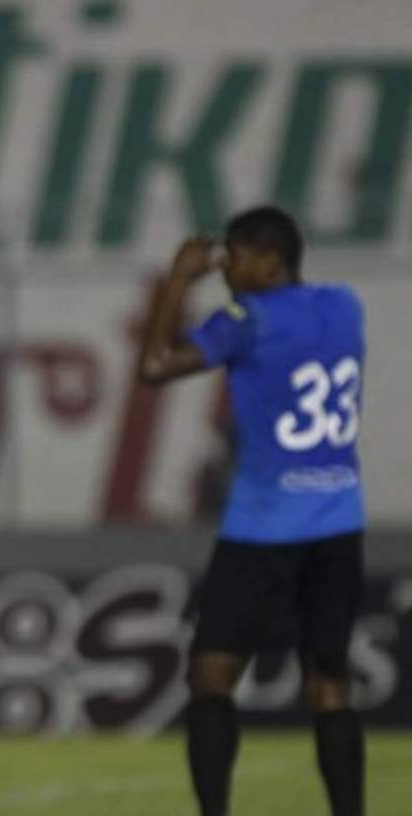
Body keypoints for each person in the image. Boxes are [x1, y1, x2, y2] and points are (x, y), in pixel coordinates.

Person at [138, 205, 366, 816]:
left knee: (210, 679)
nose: (227, 271)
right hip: (339, 523)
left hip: (263, 527)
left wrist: (179, 281)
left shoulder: (248, 320)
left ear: (271, 261)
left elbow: (154, 366)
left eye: (235, 258)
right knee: (330, 689)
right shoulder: (345, 306)